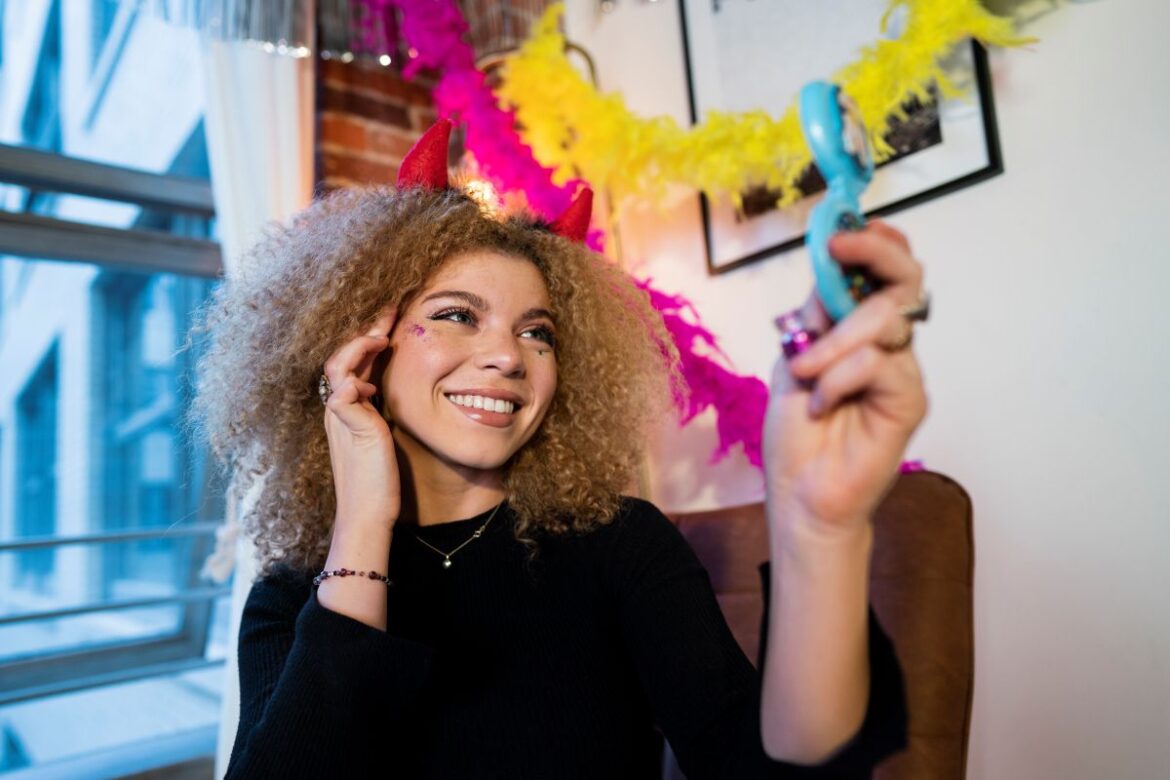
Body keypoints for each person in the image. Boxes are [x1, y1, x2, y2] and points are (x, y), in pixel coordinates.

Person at [193, 120, 928, 778]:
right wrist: (362, 526)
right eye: (457, 316)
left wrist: (817, 533)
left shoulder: (620, 545)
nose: (509, 358)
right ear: (358, 352)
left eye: (537, 331)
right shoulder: (292, 595)